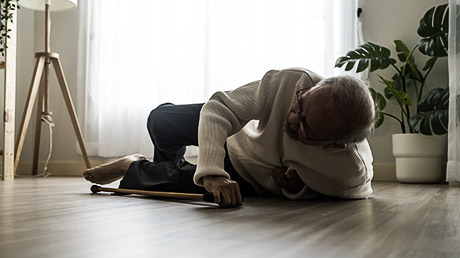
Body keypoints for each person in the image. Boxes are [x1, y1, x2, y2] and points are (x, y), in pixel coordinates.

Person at [83, 68, 375, 208]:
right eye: (299, 104)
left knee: (201, 192)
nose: (293, 118)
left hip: (248, 179)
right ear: (315, 87)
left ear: (335, 144)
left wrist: (299, 186)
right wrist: (211, 171)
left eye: (306, 126)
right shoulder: (292, 81)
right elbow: (219, 107)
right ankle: (167, 170)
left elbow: (342, 191)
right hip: (237, 139)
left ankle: (135, 166)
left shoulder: (349, 171)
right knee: (160, 120)